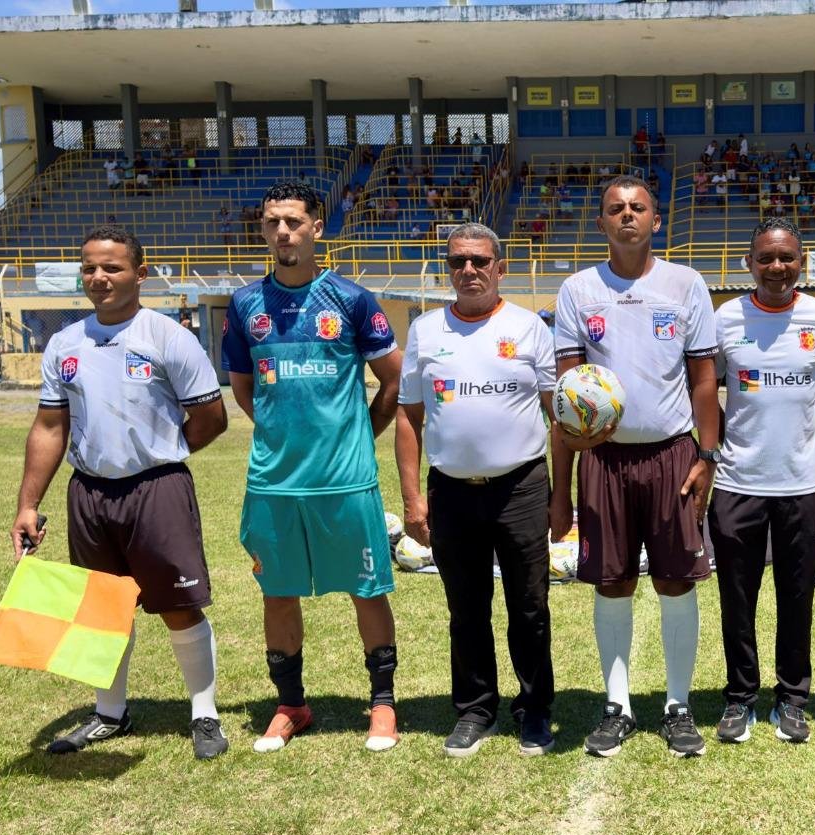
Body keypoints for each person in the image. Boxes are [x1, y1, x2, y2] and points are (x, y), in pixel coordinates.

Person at [12, 225, 229, 759]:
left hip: (157, 488)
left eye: (112, 267)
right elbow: (49, 427)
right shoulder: (65, 343)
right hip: (89, 495)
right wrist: (27, 504)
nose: (99, 278)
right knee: (101, 610)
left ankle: (204, 715)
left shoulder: (167, 336)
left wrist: (162, 453)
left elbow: (210, 416)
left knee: (180, 605)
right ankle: (110, 714)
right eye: (89, 268)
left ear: (140, 273)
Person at [220, 180, 404, 754]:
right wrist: (279, 431)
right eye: (273, 221)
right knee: (278, 593)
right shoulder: (245, 303)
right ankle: (290, 705)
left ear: (317, 228)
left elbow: (395, 378)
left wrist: (359, 433)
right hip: (275, 481)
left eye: (294, 221)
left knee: (366, 590)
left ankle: (382, 704)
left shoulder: (351, 299)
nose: (283, 232)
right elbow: (244, 388)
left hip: (346, 480)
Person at [550, 175, 720, 759]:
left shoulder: (686, 284)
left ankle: (678, 704)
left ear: (655, 220)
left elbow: (703, 379)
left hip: (673, 454)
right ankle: (617, 705)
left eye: (637, 207)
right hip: (604, 459)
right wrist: (561, 489)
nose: (627, 216)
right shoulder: (577, 290)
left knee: (675, 580)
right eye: (615, 209)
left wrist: (706, 454)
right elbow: (569, 395)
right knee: (613, 581)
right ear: (601, 222)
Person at [395, 224, 558, 758]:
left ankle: (534, 710)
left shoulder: (530, 326)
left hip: (522, 487)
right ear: (448, 267)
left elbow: (558, 410)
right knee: (466, 608)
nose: (469, 270)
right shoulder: (424, 330)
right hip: (452, 491)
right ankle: (475, 709)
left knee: (529, 606)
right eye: (458, 261)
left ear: (500, 267)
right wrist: (413, 498)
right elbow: (409, 416)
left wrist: (565, 487)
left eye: (480, 261)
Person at [710, 219, 815, 745]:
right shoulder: (726, 319)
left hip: (801, 483)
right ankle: (740, 697)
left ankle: (792, 697)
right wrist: (713, 449)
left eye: (786, 257)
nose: (777, 267)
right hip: (737, 480)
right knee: (736, 596)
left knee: (797, 595)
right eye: (765, 258)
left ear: (801, 262)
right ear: (749, 263)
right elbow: (705, 391)